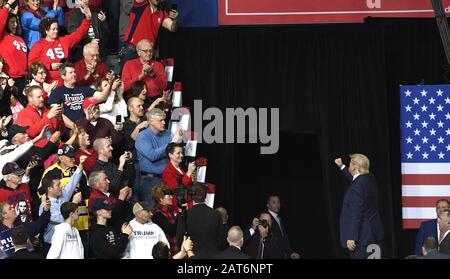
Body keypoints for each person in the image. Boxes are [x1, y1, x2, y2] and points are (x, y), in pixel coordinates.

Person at [334, 154, 384, 259]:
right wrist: (342, 166)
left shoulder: (357, 187)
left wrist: (352, 237)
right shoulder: (369, 179)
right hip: (373, 234)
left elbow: (356, 212)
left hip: (361, 239)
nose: (349, 166)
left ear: (354, 167)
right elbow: (354, 179)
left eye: (349, 164)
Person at [28, 9, 91, 85]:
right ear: (46, 31)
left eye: (57, 29)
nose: (56, 31)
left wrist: (87, 19)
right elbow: (31, 64)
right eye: (53, 29)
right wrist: (49, 66)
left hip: (66, 81)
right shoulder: (38, 45)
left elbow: (78, 34)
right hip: (49, 82)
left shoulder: (64, 41)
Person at [38, 156, 85, 255]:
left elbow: (73, 182)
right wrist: (73, 204)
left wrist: (81, 164)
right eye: (58, 185)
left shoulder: (62, 195)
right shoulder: (45, 205)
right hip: (51, 243)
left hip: (66, 241)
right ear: (50, 189)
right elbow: (60, 219)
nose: (61, 186)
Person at [135, 108, 183, 205]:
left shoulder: (168, 134)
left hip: (168, 178)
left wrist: (179, 144)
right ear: (151, 122)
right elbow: (152, 155)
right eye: (160, 120)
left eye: (164, 120)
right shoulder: (142, 137)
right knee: (151, 209)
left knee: (169, 209)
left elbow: (175, 155)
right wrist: (172, 143)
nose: (164, 122)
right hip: (150, 181)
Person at [47, 63, 112, 123]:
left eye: (74, 72)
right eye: (71, 72)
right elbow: (56, 113)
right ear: (63, 76)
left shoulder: (84, 89)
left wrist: (109, 84)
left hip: (85, 126)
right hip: (68, 130)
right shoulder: (57, 92)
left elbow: (102, 97)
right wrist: (73, 126)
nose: (74, 74)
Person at [185, 182, 222, 259]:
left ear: (192, 196)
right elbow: (220, 239)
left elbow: (181, 238)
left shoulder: (186, 215)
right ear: (205, 196)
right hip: (213, 256)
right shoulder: (216, 214)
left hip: (192, 255)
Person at [0, 4, 28, 94]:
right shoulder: (3, 36)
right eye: (12, 22)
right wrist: (7, 6)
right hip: (10, 79)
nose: (15, 24)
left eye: (16, 22)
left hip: (23, 79)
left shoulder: (20, 38)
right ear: (6, 23)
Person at [162, 142, 196, 211]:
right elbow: (177, 189)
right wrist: (188, 173)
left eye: (182, 153)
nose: (181, 155)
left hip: (188, 203)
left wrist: (192, 178)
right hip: (178, 206)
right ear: (170, 155)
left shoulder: (180, 169)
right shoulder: (167, 172)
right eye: (178, 153)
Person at [152, 184, 178, 255]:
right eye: (169, 196)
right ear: (161, 198)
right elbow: (171, 231)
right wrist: (180, 214)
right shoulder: (158, 214)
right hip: (168, 251)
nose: (171, 197)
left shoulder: (171, 210)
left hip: (177, 248)